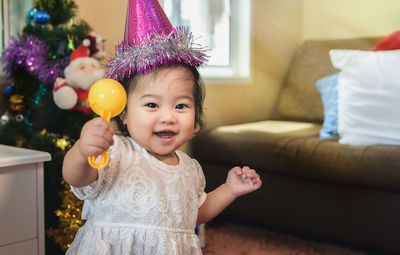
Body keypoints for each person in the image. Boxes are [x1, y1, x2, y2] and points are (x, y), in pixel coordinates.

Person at [62, 0, 262, 254]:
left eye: (180, 106)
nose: (168, 117)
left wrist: (229, 190)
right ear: (123, 113)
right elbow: (76, 177)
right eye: (152, 105)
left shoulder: (190, 169)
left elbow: (194, 215)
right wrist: (82, 153)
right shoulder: (116, 152)